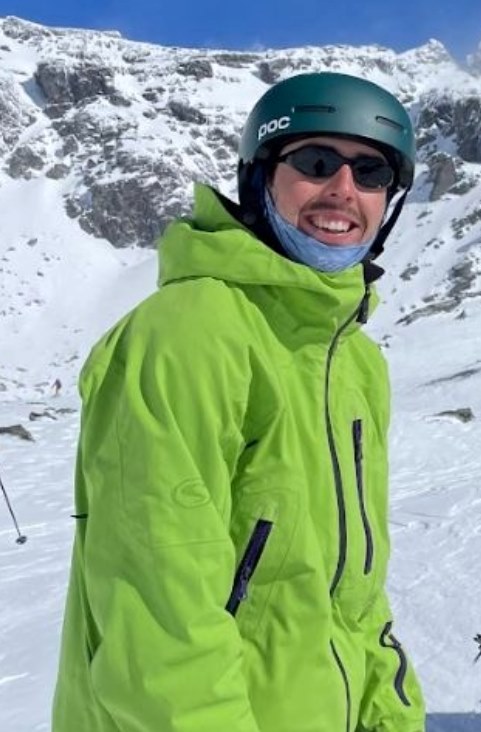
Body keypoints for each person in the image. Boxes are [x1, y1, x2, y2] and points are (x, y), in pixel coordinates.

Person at [52, 72, 425, 732]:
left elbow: (355, 593)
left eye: (371, 172)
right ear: (259, 176)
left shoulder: (354, 360)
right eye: (316, 163)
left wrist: (390, 717)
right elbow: (160, 617)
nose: (344, 190)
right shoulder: (188, 332)